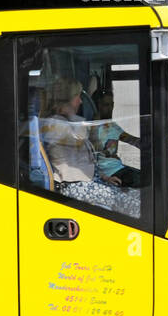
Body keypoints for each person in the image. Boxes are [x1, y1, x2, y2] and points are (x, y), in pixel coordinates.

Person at [39, 80, 140, 218]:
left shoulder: (70, 122)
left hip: (91, 181)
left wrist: (105, 177)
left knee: (137, 195)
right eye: (77, 97)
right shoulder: (53, 124)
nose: (81, 102)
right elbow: (80, 136)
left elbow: (86, 159)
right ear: (67, 100)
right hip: (73, 186)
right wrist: (71, 114)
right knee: (134, 204)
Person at [90, 90, 142, 187]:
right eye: (106, 105)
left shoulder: (112, 126)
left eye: (112, 105)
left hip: (118, 168)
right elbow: (94, 150)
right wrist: (95, 124)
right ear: (98, 105)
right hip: (108, 173)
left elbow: (131, 139)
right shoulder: (91, 127)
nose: (110, 109)